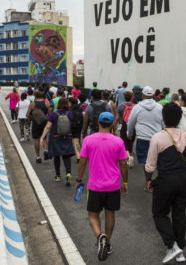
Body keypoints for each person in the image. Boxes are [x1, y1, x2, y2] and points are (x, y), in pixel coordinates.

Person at [145, 103, 186, 264]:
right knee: (179, 213)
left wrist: (148, 180)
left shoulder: (158, 137)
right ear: (180, 118)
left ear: (163, 118)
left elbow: (150, 166)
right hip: (183, 180)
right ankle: (179, 249)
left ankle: (172, 244)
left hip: (165, 180)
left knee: (159, 213)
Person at [76, 112, 128, 261]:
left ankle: (100, 236)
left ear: (98, 122)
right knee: (110, 214)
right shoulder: (118, 142)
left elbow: (83, 161)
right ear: (112, 124)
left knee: (93, 215)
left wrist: (79, 179)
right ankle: (108, 242)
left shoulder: (88, 140)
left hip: (95, 186)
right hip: (113, 185)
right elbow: (123, 164)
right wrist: (125, 183)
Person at [40, 98, 75, 185]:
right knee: (66, 156)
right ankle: (68, 173)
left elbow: (48, 126)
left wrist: (42, 137)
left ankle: (58, 175)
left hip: (55, 137)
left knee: (57, 156)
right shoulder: (69, 114)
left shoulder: (53, 114)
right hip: (67, 137)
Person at [127, 86, 163, 169]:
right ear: (153, 95)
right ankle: (153, 178)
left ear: (142, 95)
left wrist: (129, 134)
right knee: (156, 160)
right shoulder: (159, 107)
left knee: (145, 161)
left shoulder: (137, 107)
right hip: (156, 138)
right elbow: (163, 122)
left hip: (142, 137)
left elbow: (131, 122)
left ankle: (147, 180)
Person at [26, 91, 50, 163]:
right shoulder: (46, 103)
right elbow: (49, 114)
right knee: (44, 138)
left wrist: (33, 116)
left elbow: (27, 114)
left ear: (35, 96)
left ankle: (38, 157)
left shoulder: (32, 104)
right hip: (44, 122)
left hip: (36, 123)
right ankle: (45, 150)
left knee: (36, 139)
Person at [115, 91, 135, 167]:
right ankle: (129, 152)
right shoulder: (135, 106)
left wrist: (114, 126)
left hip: (124, 125)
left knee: (124, 141)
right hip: (133, 126)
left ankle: (128, 156)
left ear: (124, 97)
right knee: (131, 140)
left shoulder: (121, 106)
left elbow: (117, 118)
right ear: (131, 98)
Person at [69, 97, 84, 163]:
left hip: (71, 126)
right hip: (79, 126)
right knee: (77, 141)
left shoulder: (70, 109)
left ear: (70, 103)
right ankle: (78, 156)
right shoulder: (79, 108)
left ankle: (68, 155)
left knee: (69, 140)